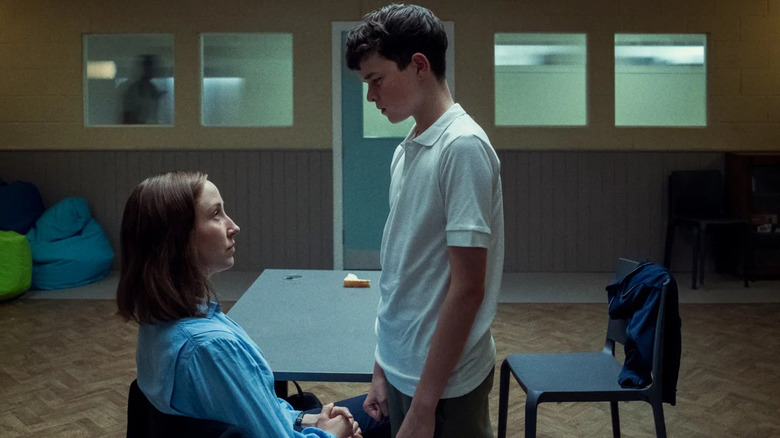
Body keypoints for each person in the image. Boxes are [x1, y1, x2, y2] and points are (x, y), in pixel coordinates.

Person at [116, 171, 385, 438]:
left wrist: (305, 419)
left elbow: (259, 410)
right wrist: (332, 434)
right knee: (394, 409)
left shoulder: (159, 324)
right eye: (216, 214)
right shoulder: (209, 347)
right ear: (178, 237)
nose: (233, 226)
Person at [346, 4, 505, 438]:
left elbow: (468, 288)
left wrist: (424, 405)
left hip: (443, 386)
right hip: (402, 368)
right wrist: (382, 367)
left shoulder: (463, 147)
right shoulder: (409, 149)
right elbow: (401, 273)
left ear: (419, 65)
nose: (371, 96)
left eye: (376, 80)